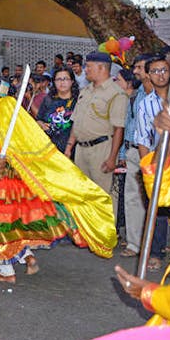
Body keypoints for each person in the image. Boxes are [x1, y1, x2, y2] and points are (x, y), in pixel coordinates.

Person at [0, 74, 117, 283]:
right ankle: (26, 257)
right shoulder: (10, 111)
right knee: (12, 225)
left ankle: (7, 272)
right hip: (16, 181)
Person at [65, 52, 128, 219]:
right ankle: (89, 235)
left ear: (101, 67)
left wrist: (112, 158)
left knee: (103, 196)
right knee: (83, 196)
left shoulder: (116, 93)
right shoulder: (85, 90)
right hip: (81, 150)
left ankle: (105, 238)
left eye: (89, 66)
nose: (86, 70)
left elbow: (118, 129)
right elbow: (76, 121)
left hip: (102, 149)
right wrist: (69, 147)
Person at [131, 54, 170, 270]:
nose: (160, 74)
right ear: (148, 75)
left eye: (164, 69)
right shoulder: (145, 104)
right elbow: (142, 138)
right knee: (157, 209)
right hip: (160, 162)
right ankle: (156, 253)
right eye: (155, 71)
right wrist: (148, 168)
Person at [119, 55, 154, 259]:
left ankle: (154, 245)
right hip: (133, 151)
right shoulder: (134, 96)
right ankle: (134, 243)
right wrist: (124, 153)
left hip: (156, 152)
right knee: (133, 198)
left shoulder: (164, 95)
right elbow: (128, 124)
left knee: (157, 199)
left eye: (140, 68)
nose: (136, 72)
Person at [36, 67, 79, 151]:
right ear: (54, 82)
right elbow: (38, 119)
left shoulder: (78, 101)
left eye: (65, 79)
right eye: (58, 79)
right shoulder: (48, 100)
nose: (62, 82)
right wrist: (43, 125)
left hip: (71, 150)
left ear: (72, 81)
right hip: (49, 149)